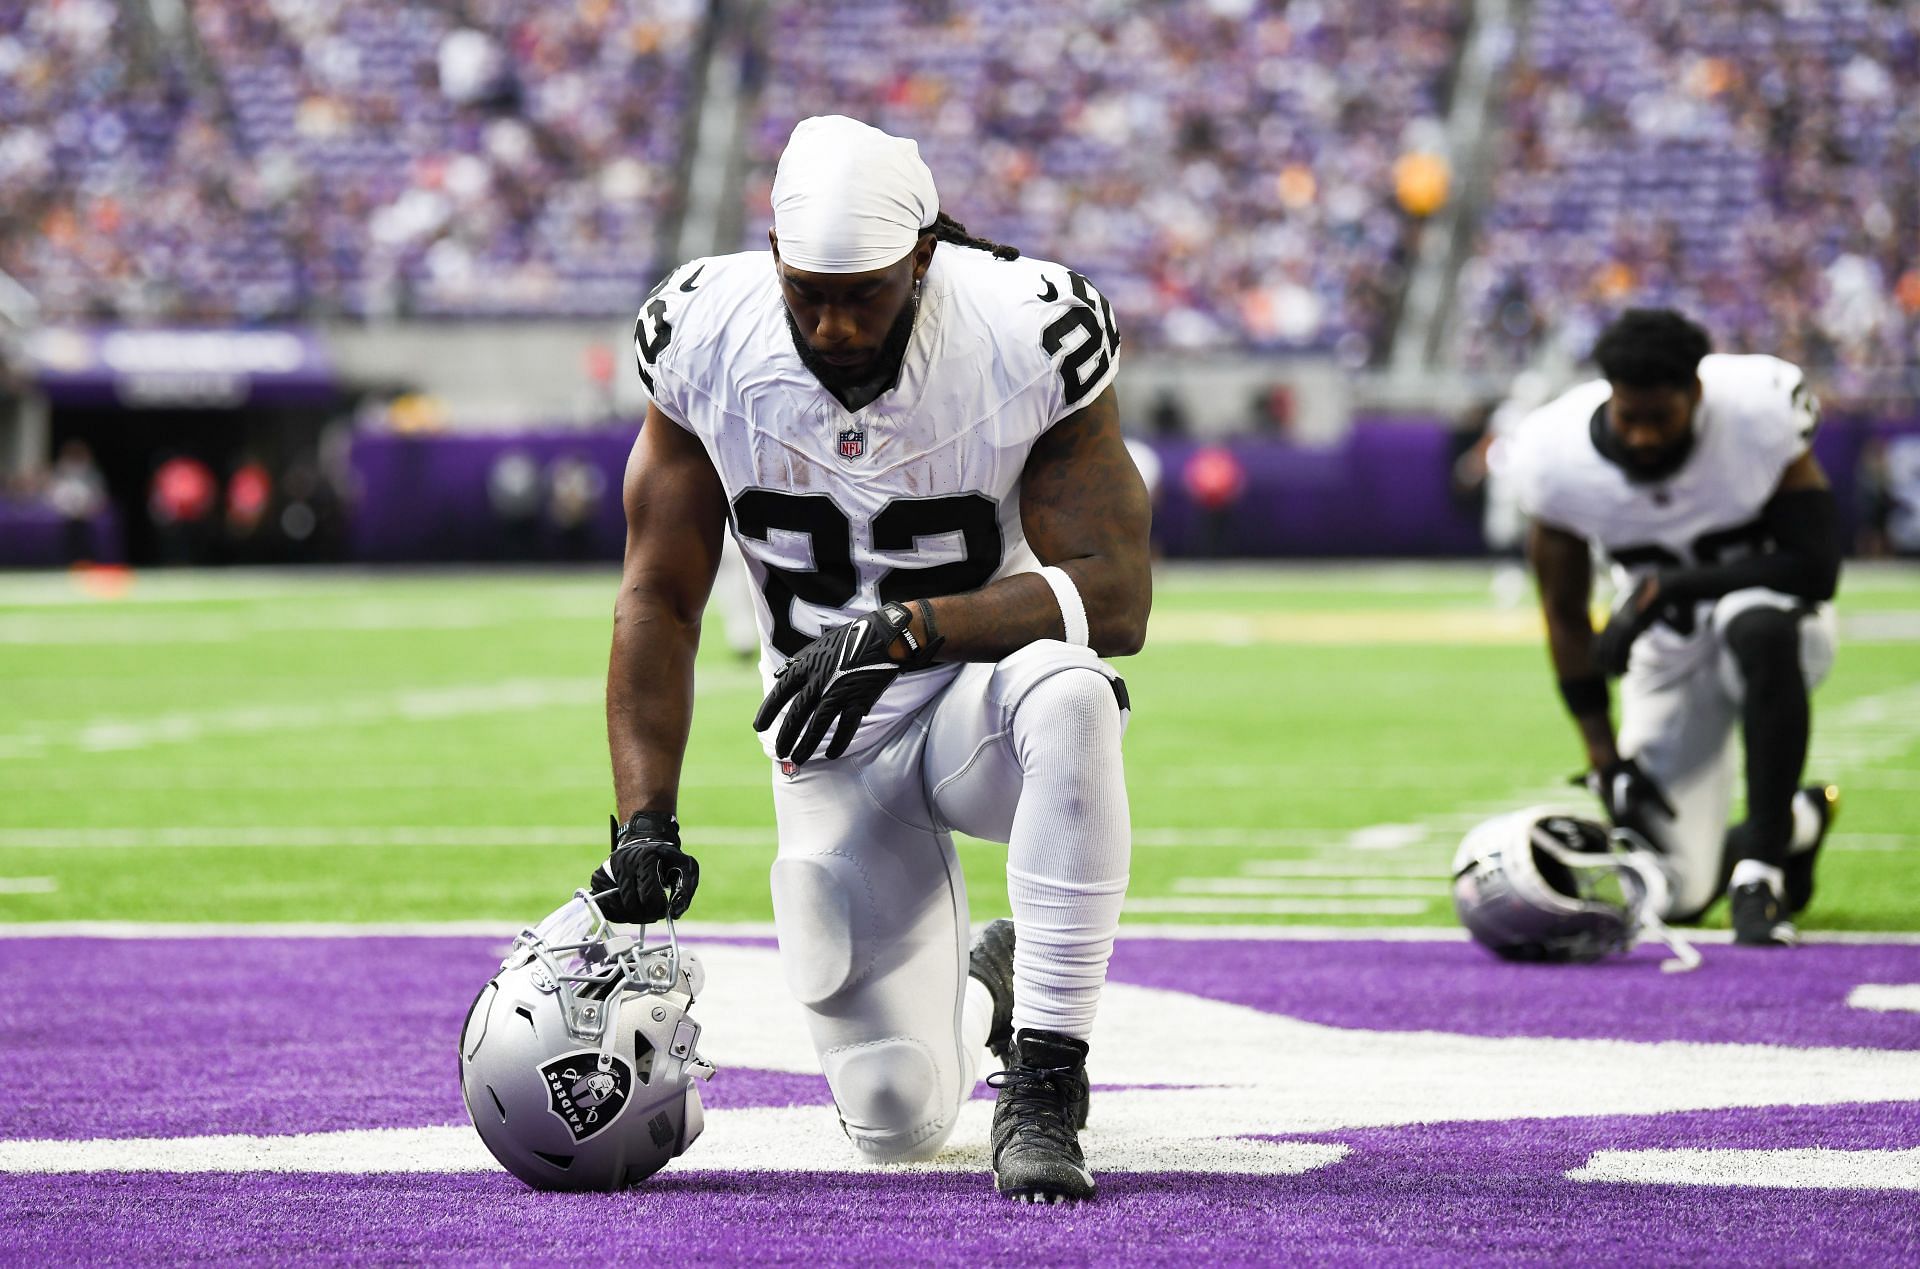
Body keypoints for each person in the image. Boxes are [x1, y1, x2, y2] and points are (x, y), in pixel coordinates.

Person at [590, 116, 1151, 1203]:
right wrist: (645, 817)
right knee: (895, 1120)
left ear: (925, 260)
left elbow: (1114, 598)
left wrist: (907, 632)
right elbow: (659, 593)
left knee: (1076, 693)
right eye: (809, 291)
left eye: (867, 292)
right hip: (827, 741)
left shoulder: (1024, 325)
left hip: (977, 702)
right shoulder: (702, 331)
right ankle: (990, 989)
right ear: (771, 258)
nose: (835, 322)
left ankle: (1044, 1085)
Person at [1509, 308, 1842, 948]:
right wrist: (1604, 759)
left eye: (1659, 419)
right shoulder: (1554, 457)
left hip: (1781, 629)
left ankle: (1761, 872)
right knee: (1678, 894)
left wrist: (1669, 589)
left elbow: (1815, 567)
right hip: (1665, 655)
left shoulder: (1756, 408)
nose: (1640, 437)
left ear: (1696, 393)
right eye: (1628, 417)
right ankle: (1798, 819)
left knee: (1755, 621)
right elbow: (1564, 613)